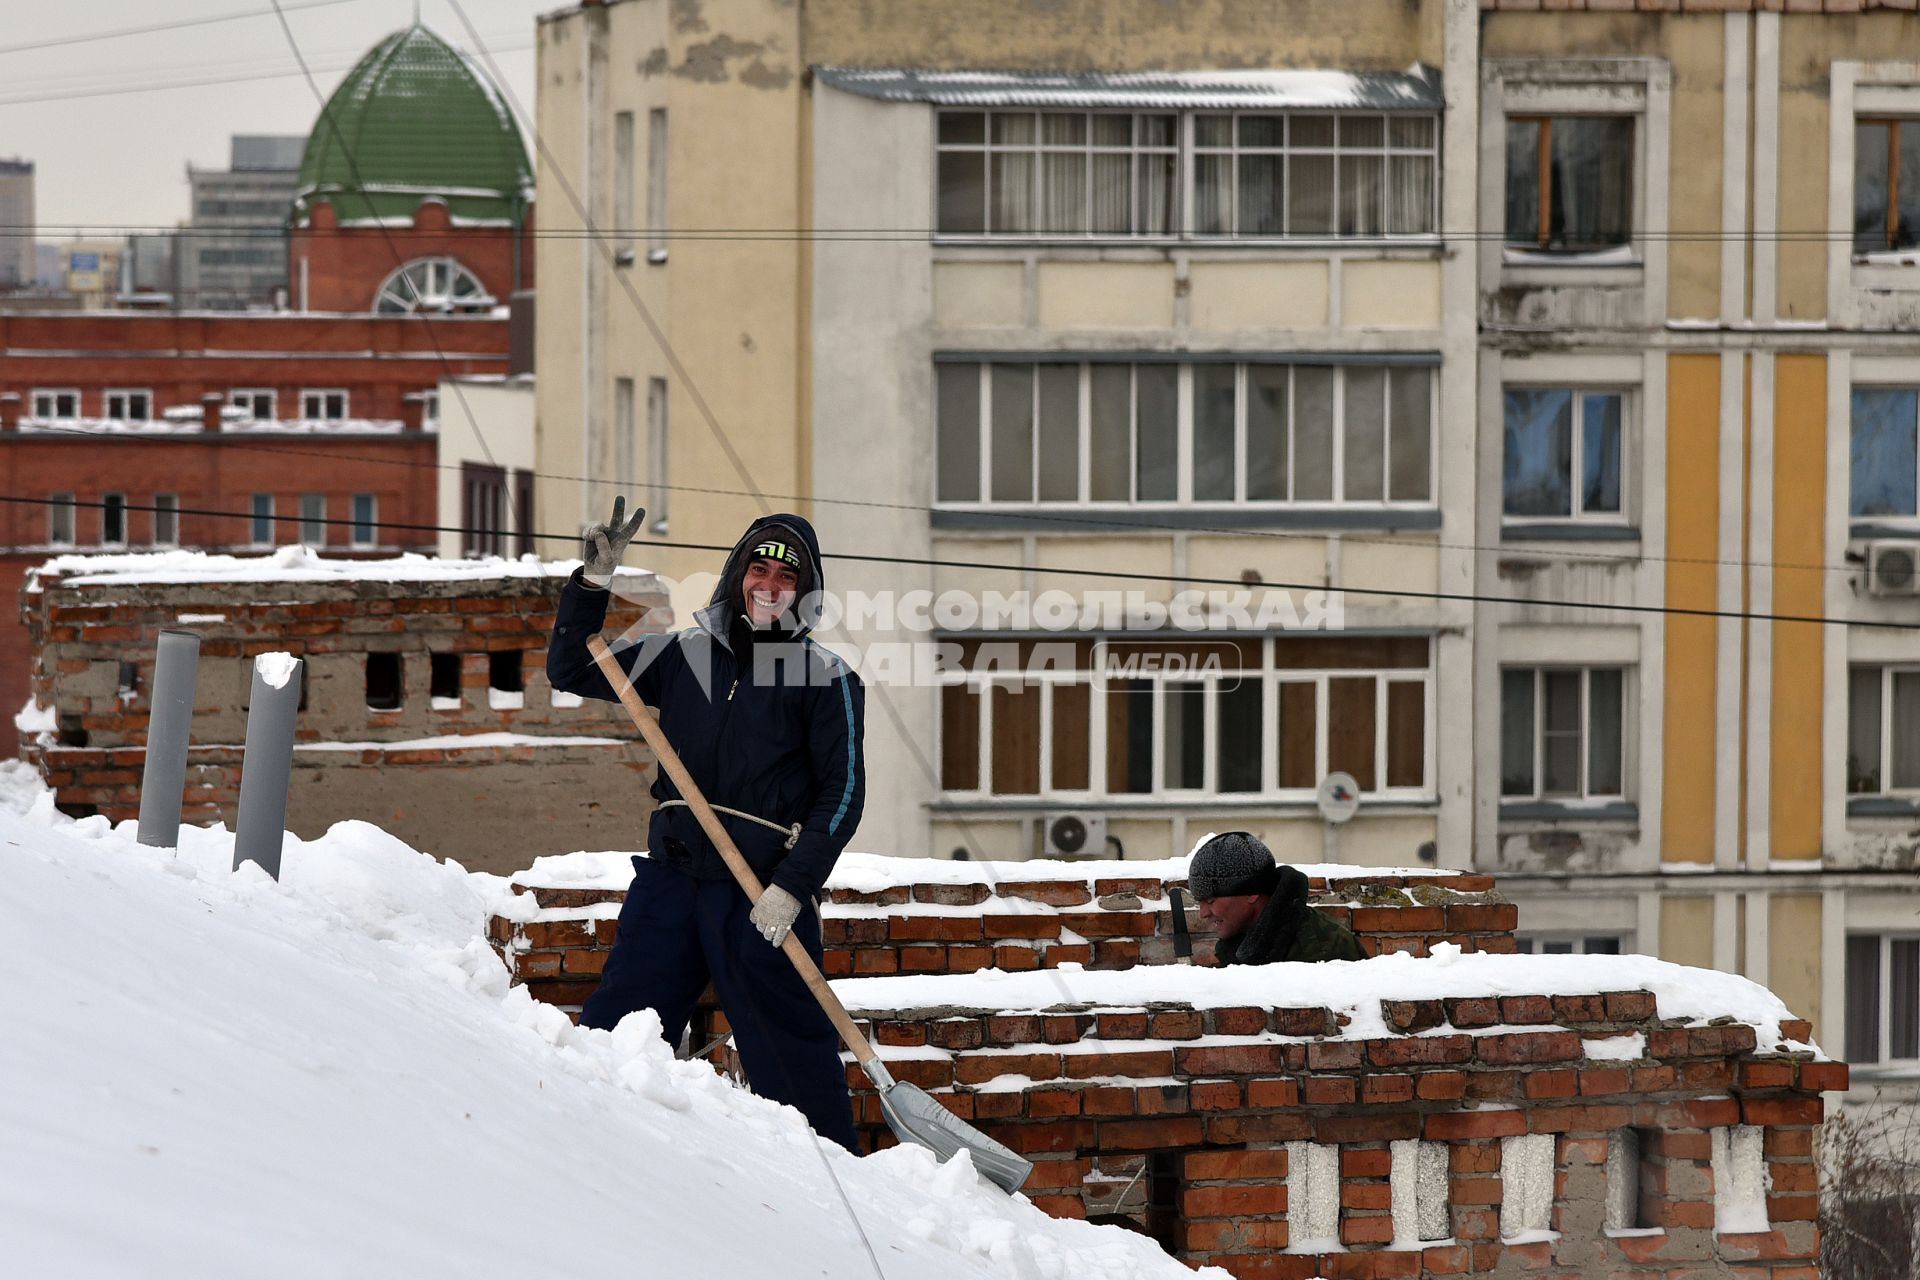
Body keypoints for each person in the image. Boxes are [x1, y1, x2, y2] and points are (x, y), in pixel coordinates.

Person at [546, 498, 865, 1153]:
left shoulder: (826, 678)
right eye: (759, 572)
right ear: (736, 577)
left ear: (805, 594)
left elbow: (845, 794)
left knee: (795, 1066)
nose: (769, 587)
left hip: (759, 897)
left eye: (787, 580)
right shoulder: (686, 655)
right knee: (616, 1036)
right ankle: (580, 1158)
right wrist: (593, 585)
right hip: (672, 882)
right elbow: (573, 667)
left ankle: (840, 1191)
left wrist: (793, 886)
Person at [1187, 831, 1364, 966]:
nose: (1203, 914)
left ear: (1252, 892)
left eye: (1210, 901)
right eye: (1199, 902)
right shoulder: (1244, 945)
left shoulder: (1324, 951)